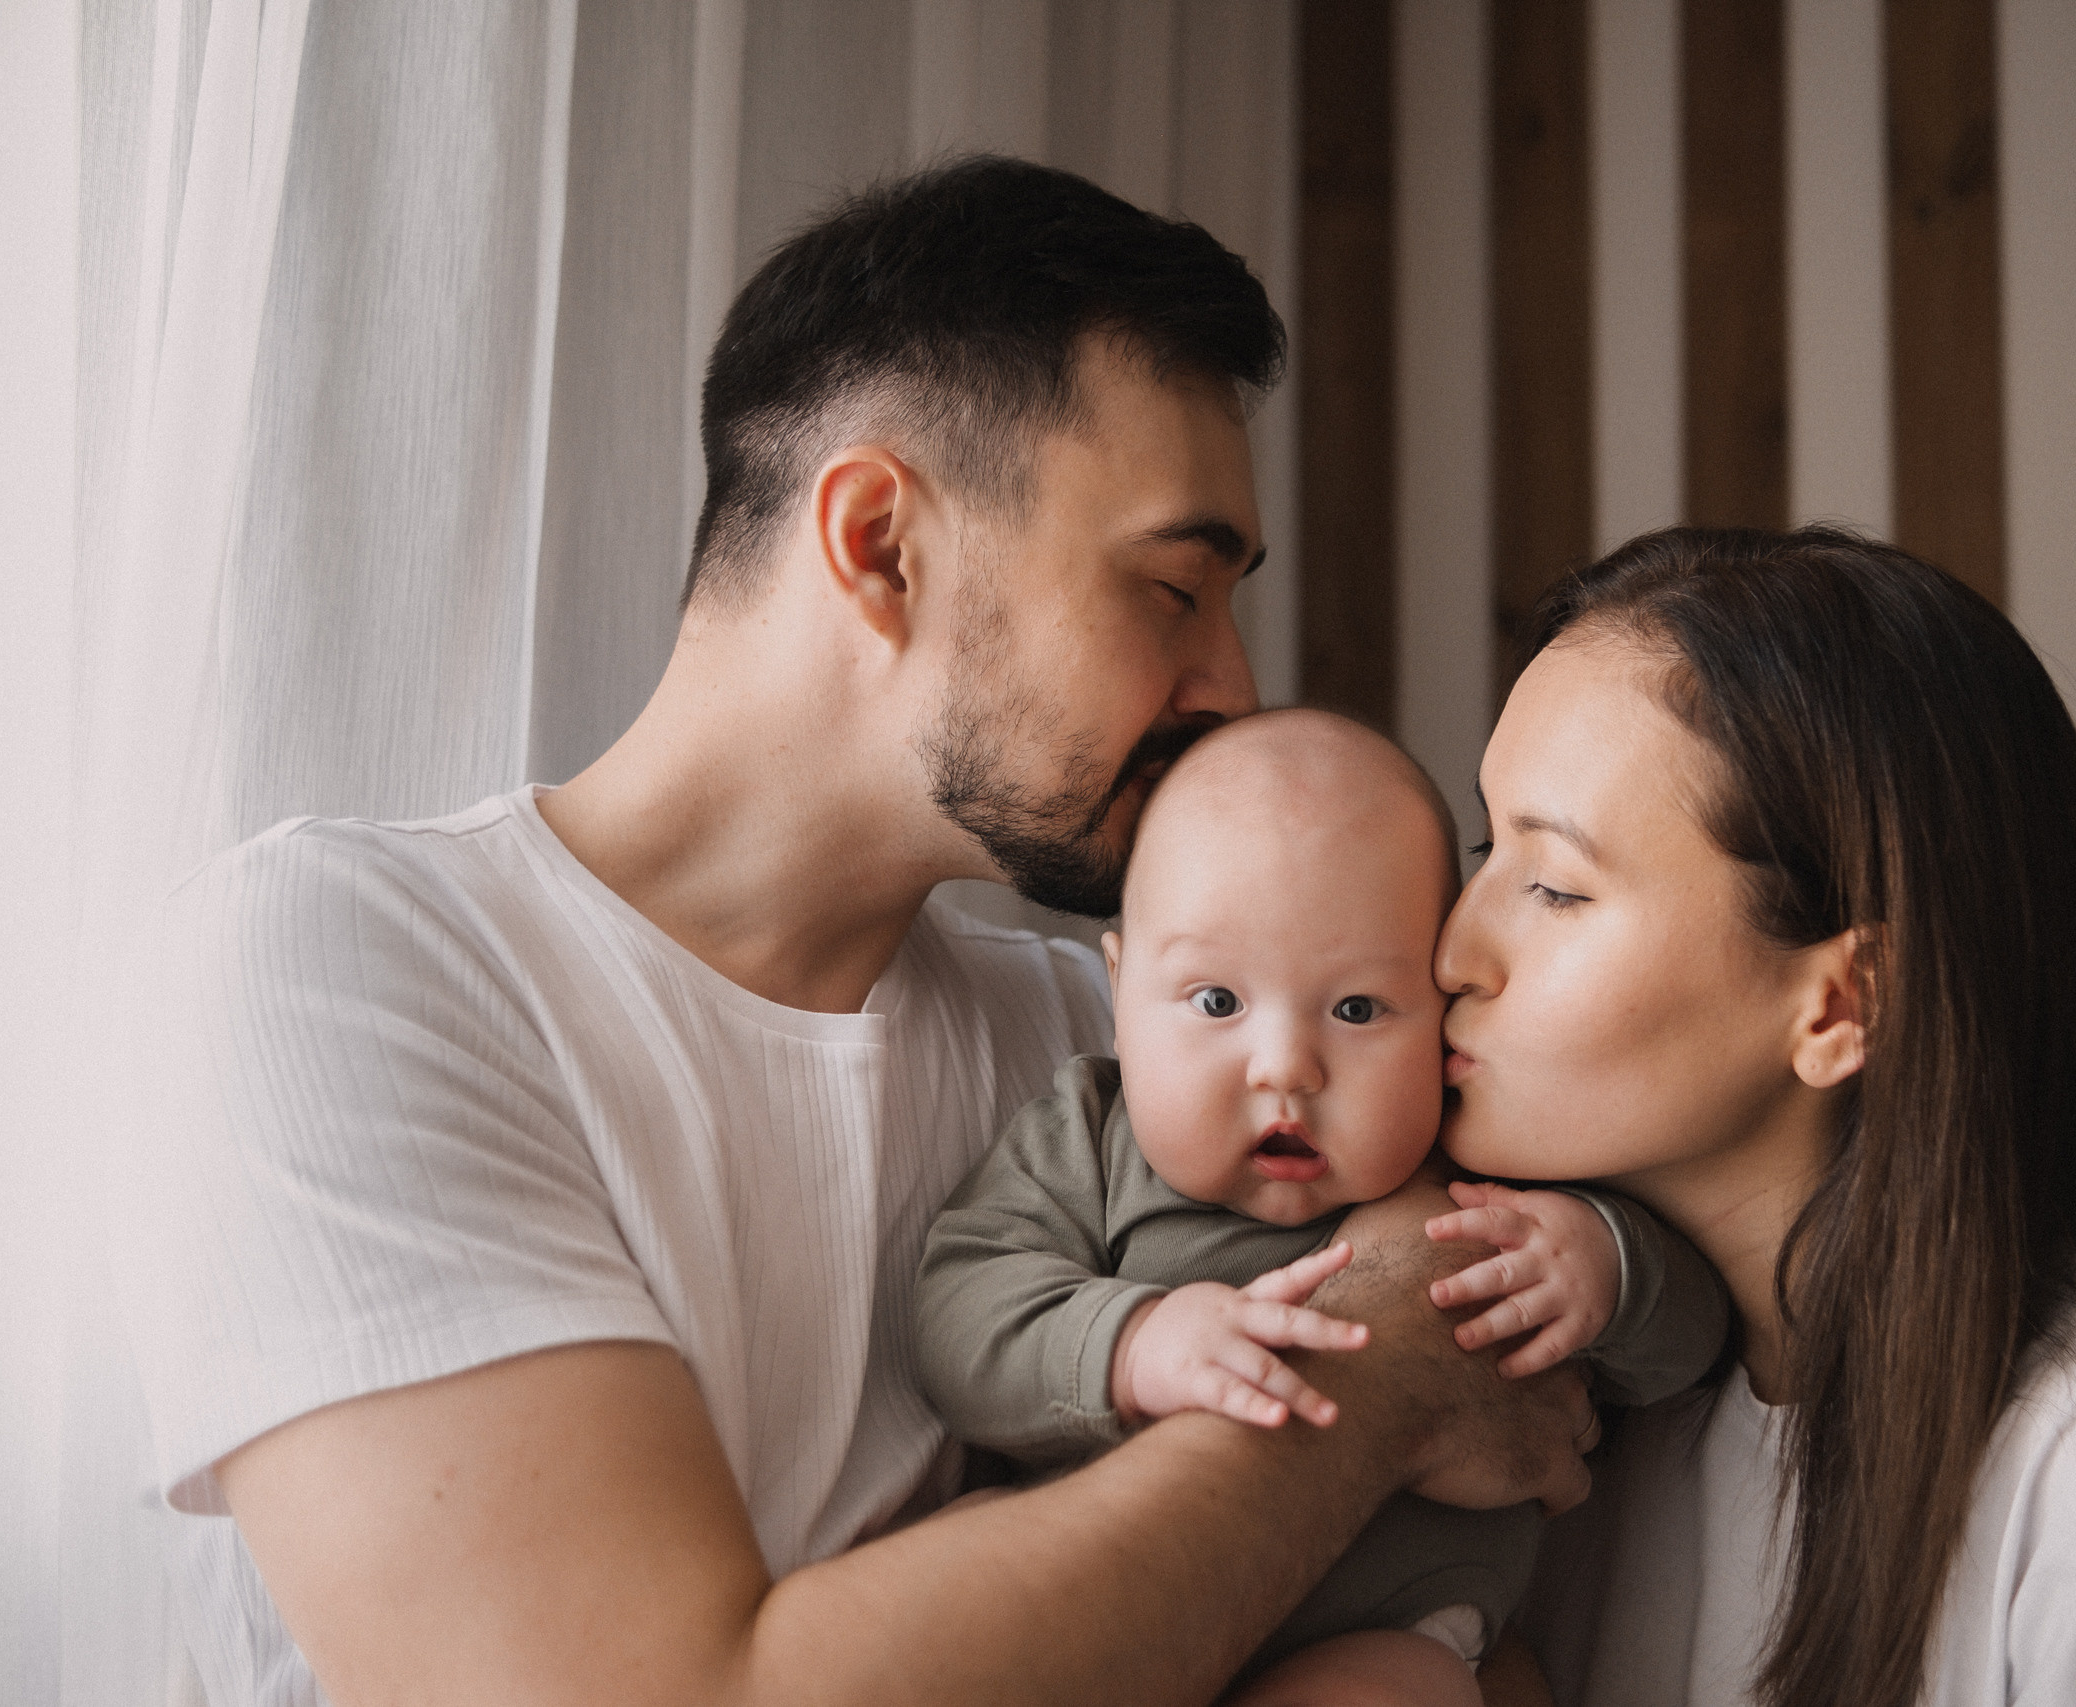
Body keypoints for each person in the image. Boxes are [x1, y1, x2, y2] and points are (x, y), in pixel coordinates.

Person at [115, 157, 1596, 1707]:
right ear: (882, 543)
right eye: (1174, 587)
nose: (1230, 684)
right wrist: (1370, 1391)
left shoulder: (1119, 1045)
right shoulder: (343, 969)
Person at [1427, 524, 2076, 1707]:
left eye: (1550, 885)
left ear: (1843, 1002)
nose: (1449, 949)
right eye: (1486, 845)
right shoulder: (1561, 1417)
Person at [916, 709, 1729, 1705]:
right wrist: (1130, 1342)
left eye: (1355, 1010)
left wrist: (1604, 1268)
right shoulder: (1089, 1138)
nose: (1285, 1067)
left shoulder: (1489, 1178)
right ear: (1121, 990)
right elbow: (956, 1313)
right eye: (1216, 1002)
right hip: (1110, 1615)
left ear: (1439, 1012)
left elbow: (1688, 1346)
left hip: (1386, 1628)